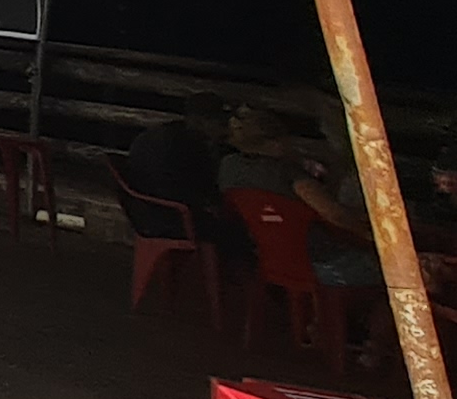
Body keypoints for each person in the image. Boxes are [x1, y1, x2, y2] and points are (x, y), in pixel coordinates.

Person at [222, 108, 377, 290]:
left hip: (272, 261)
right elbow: (334, 214)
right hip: (323, 264)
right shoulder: (288, 174)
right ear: (276, 142)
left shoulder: (229, 167)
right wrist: (371, 235)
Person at [120, 106, 225, 242]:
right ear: (203, 121)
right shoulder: (191, 147)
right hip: (170, 217)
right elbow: (204, 188)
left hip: (140, 209)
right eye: (220, 125)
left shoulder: (162, 133)